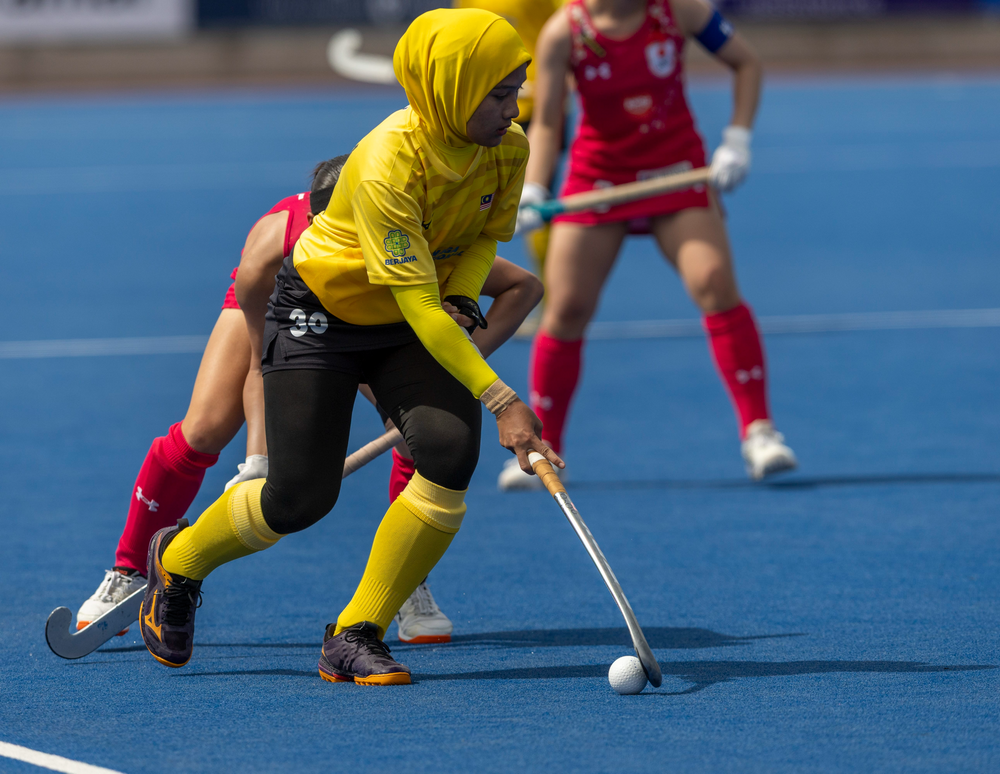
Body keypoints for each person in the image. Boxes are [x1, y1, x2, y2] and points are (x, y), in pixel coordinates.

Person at [138, 8, 562, 685]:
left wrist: (463, 294)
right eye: (500, 94)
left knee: (450, 450)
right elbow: (417, 304)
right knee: (299, 499)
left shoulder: (508, 147)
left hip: (409, 315)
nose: (515, 110)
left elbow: (482, 236)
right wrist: (503, 399)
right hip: (322, 315)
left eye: (517, 90)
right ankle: (180, 562)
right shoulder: (389, 161)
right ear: (451, 88)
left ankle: (356, 632)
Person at [77, 155, 543, 647]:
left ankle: (407, 582)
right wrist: (259, 461)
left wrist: (455, 360)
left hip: (381, 317)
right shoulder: (274, 244)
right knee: (205, 428)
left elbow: (522, 286)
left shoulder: (405, 236)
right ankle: (129, 569)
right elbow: (261, 364)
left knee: (421, 437)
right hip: (294, 318)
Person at [497, 0, 797, 490]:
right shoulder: (563, 32)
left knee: (714, 281)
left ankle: (760, 432)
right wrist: (534, 188)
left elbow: (746, 63)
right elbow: (548, 122)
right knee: (566, 308)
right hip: (598, 178)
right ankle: (539, 450)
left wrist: (737, 140)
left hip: (675, 170)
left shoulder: (678, 11)